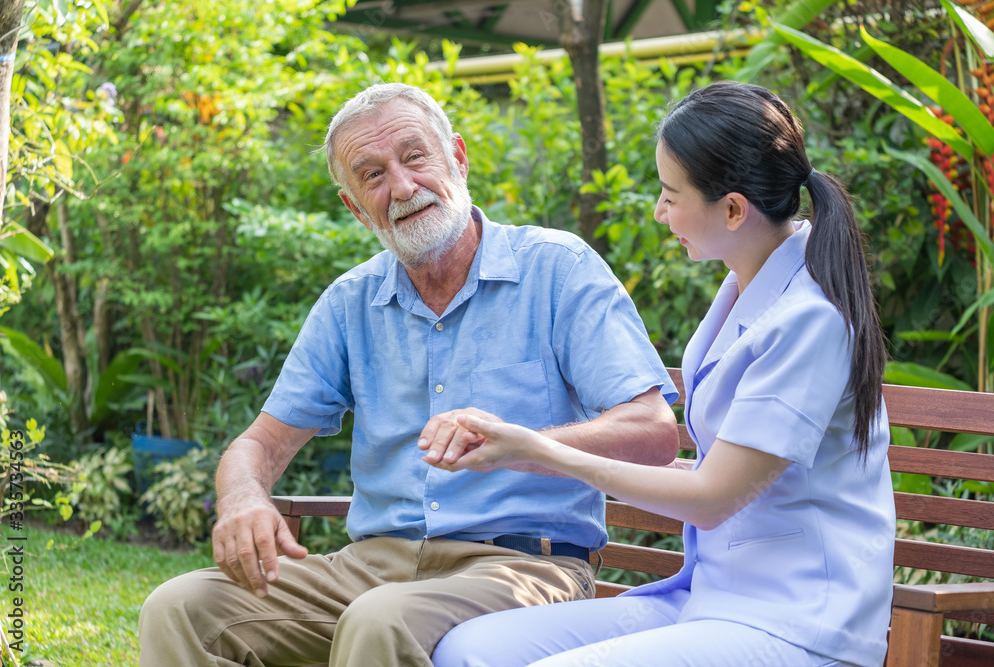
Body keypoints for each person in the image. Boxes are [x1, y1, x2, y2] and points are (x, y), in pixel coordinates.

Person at [137, 82, 682, 667]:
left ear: (458, 157)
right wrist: (242, 498)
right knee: (181, 608)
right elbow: (262, 441)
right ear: (354, 206)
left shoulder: (558, 270)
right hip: (372, 566)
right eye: (371, 175)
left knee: (381, 620)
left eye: (414, 156)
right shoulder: (350, 302)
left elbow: (653, 431)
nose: (401, 186)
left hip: (525, 565)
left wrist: (521, 446)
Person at [429, 80, 896, 667]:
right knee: (469, 649)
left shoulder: (810, 321)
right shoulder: (742, 290)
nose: (659, 211)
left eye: (670, 195)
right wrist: (515, 449)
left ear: (732, 209)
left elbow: (710, 498)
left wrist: (541, 451)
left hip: (799, 623)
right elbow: (722, 470)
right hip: (714, 599)